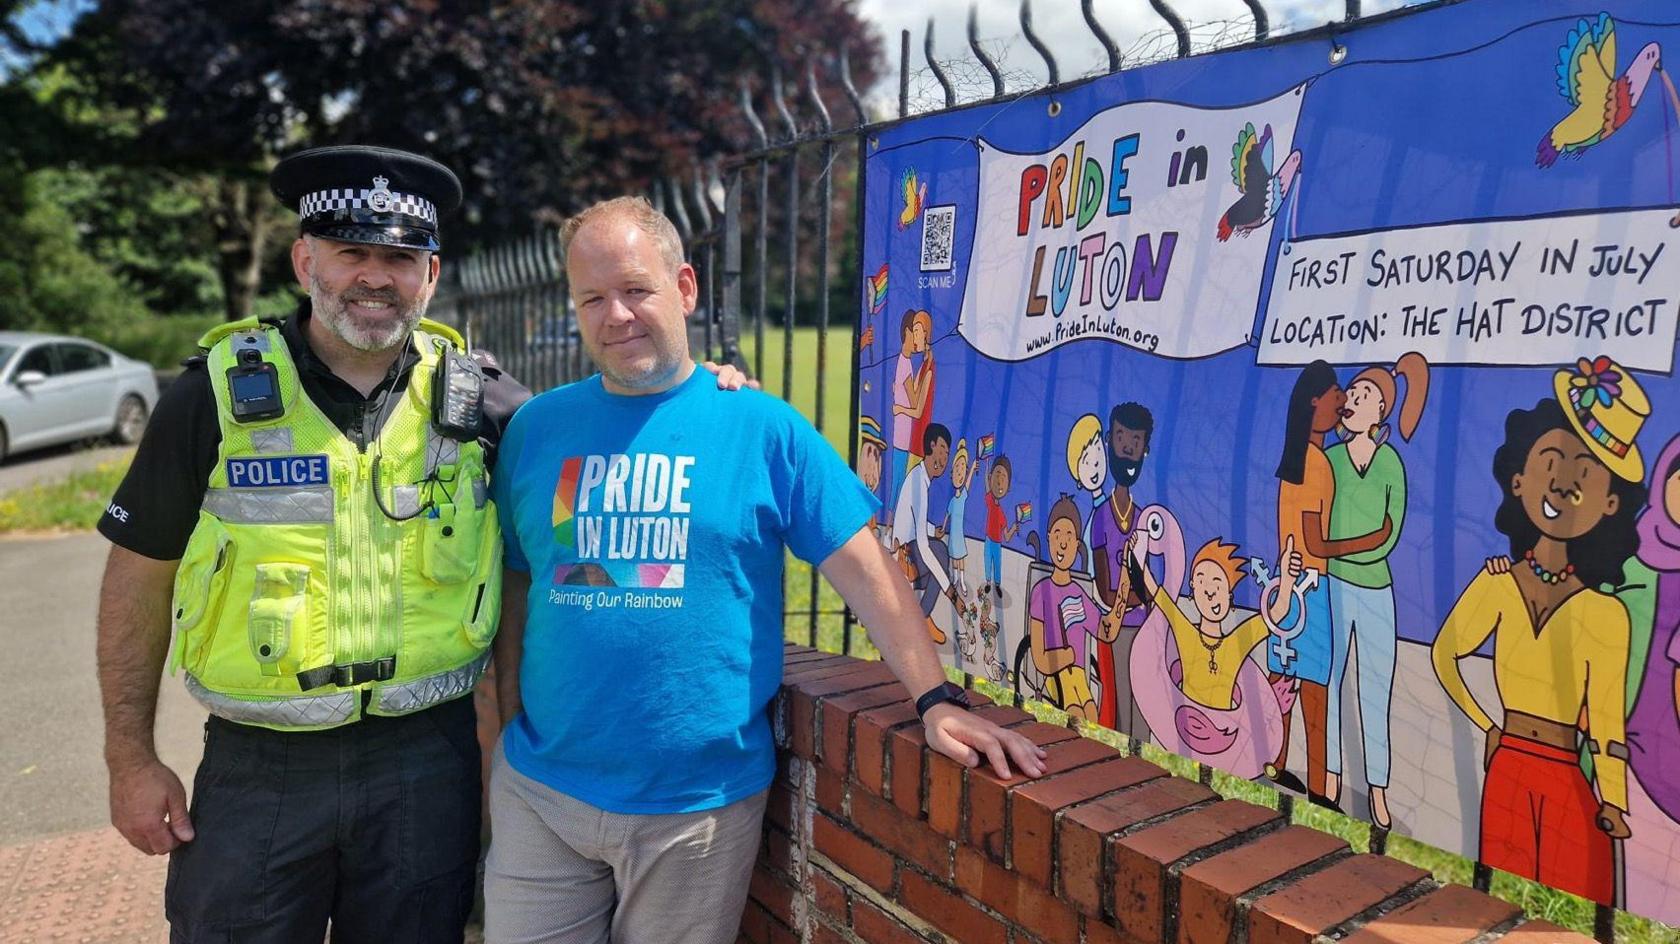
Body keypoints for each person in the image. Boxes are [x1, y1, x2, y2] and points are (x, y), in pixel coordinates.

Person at [92, 146, 752, 942]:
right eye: (352, 253)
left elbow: (606, 438)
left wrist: (699, 391)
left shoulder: (484, 402)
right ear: (306, 260)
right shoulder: (216, 395)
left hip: (425, 764)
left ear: (430, 274)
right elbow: (138, 575)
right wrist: (129, 758)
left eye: (400, 257)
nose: (376, 277)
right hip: (260, 768)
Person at [483, 197, 1045, 944]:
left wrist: (935, 697)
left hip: (696, 812)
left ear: (684, 288)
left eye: (636, 290)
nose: (615, 315)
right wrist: (502, 740)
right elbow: (519, 591)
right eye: (593, 298)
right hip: (542, 795)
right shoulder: (537, 428)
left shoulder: (762, 427)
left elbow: (863, 568)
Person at [1433, 357, 1647, 905]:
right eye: (1551, 464)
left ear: (1610, 502)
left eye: (1585, 475)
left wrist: (1614, 799)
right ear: (1520, 479)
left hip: (1568, 779)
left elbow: (1605, 720)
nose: (1564, 485)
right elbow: (1445, 654)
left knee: (1572, 904)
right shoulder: (1497, 584)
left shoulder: (1606, 615)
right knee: (1491, 903)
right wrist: (1488, 725)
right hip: (1507, 766)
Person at [1271, 361, 1391, 809]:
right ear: (1314, 401)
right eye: (1337, 393)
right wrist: (1371, 540)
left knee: (1284, 681)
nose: (1344, 401)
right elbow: (1315, 540)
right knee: (1315, 692)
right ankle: (1320, 789)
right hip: (1310, 586)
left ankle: (1273, 762)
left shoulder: (1298, 458)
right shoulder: (1315, 461)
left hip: (1288, 580)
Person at [1322, 352, 1429, 829]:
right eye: (1353, 393)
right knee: (1327, 684)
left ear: (1381, 411)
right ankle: (1330, 778)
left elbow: (1390, 532)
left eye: (1364, 395)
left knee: (1374, 691)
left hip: (1375, 591)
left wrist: (1338, 547)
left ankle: (1378, 790)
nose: (1353, 400)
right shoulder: (1330, 460)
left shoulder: (1389, 463)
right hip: (1331, 587)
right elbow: (1317, 523)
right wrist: (1336, 551)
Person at [893, 422, 959, 645]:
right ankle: (921, 619)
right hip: (904, 557)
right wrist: (951, 592)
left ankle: (919, 620)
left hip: (908, 550)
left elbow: (916, 523)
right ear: (931, 446)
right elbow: (923, 545)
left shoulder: (921, 478)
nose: (944, 458)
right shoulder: (918, 482)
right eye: (942, 450)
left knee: (938, 550)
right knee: (939, 552)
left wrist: (933, 530)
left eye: (947, 454)